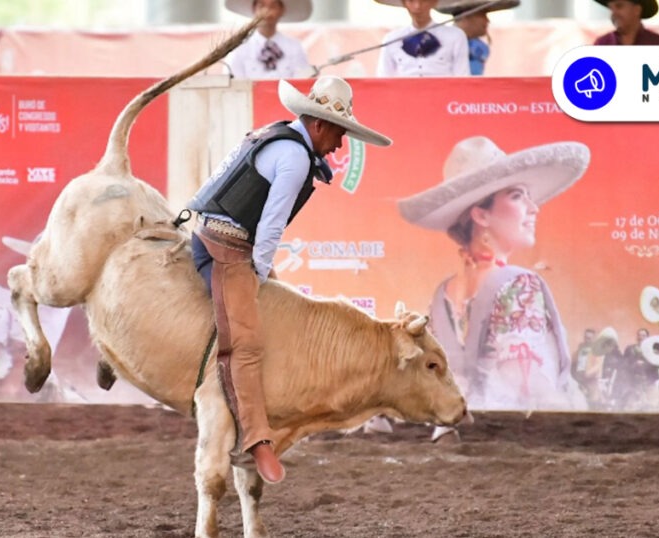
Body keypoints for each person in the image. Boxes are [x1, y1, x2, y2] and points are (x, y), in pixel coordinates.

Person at [185, 76, 391, 483]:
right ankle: (257, 441)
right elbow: (271, 225)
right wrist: (258, 274)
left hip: (210, 234)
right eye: (338, 132)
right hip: (229, 248)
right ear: (318, 125)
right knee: (244, 346)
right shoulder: (296, 159)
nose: (340, 144)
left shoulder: (274, 135)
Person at [398, 136, 589, 431]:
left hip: (465, 434)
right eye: (517, 196)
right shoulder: (520, 285)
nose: (533, 208)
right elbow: (529, 387)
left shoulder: (442, 296)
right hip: (513, 438)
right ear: (481, 214)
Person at [375, 0, 470, 78]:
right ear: (404, 3)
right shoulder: (392, 39)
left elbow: (462, 76)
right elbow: (383, 78)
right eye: (411, 1)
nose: (417, 6)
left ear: (434, 2)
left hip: (443, 97)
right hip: (404, 97)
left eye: (424, 1)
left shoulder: (454, 36)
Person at [224, 0, 312, 79]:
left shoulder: (294, 47)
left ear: (282, 10)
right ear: (254, 9)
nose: (267, 11)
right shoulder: (239, 48)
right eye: (261, 6)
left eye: (273, 6)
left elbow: (302, 80)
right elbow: (234, 84)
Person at [434, 0, 520, 76]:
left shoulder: (480, 48)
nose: (488, 20)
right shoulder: (438, 45)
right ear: (466, 16)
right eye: (482, 15)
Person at [592, 0, 659, 46]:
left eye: (619, 6)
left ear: (637, 10)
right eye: (611, 8)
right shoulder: (602, 44)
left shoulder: (658, 44)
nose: (613, 13)